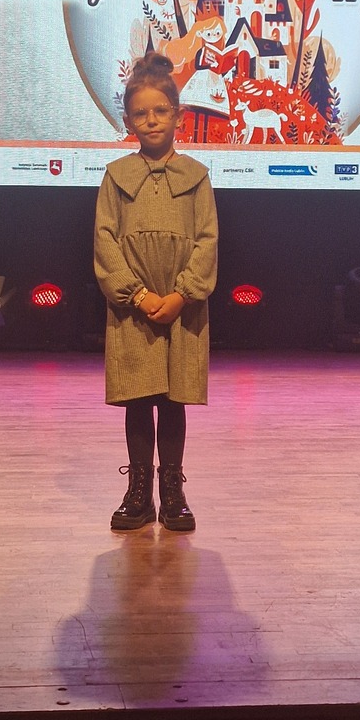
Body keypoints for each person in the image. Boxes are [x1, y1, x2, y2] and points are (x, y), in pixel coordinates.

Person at [94, 52, 218, 531]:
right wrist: (138, 295)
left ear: (178, 116)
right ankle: (139, 492)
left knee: (172, 400)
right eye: (141, 113)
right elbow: (105, 241)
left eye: (160, 111)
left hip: (180, 308)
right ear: (128, 121)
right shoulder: (116, 176)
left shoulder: (196, 177)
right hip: (135, 310)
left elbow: (206, 241)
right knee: (138, 398)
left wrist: (181, 295)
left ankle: (172, 492)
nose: (151, 120)